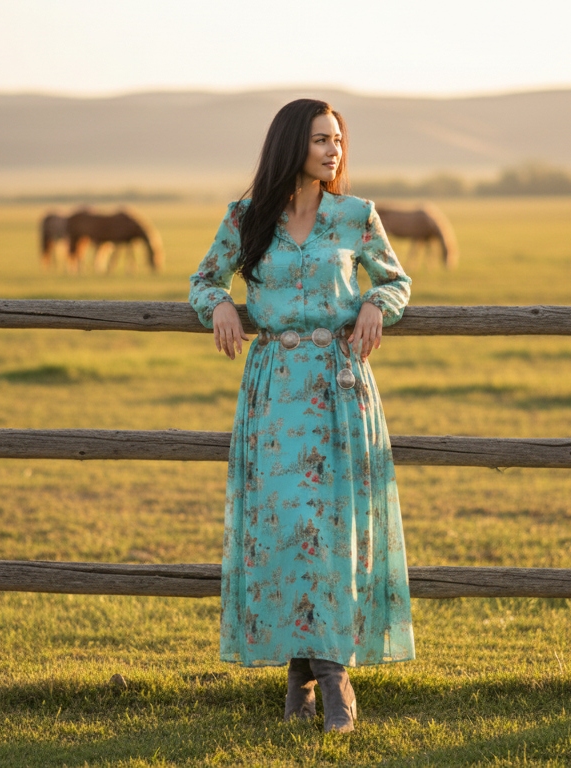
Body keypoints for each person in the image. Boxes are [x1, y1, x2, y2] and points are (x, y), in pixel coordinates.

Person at [189, 98, 414, 734]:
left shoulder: (355, 217)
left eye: (338, 141)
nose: (333, 151)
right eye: (321, 140)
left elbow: (397, 282)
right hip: (275, 394)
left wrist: (375, 303)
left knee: (333, 533)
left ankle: (322, 679)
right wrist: (222, 307)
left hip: (340, 390)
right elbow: (205, 279)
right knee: (289, 531)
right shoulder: (248, 216)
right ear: (292, 145)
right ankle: (309, 676)